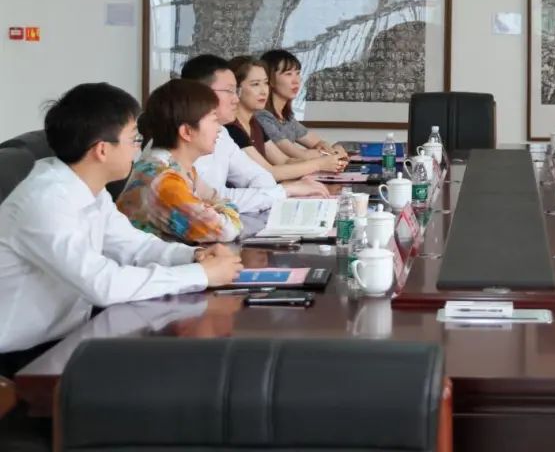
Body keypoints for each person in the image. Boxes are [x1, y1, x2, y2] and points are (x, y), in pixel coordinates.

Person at [0, 82, 242, 376]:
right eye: (134, 139)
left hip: (71, 335)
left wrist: (194, 256)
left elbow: (135, 246)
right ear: (102, 150)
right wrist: (201, 275)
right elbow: (104, 284)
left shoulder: (88, 187)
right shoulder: (44, 202)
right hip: (22, 359)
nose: (139, 148)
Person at [179, 54, 328, 235]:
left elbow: (258, 175)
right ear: (200, 94)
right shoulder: (184, 138)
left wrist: (277, 192)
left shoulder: (222, 133)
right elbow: (214, 199)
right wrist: (284, 191)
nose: (236, 99)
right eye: (230, 91)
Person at [117, 79, 244, 243]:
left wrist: (217, 208)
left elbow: (216, 199)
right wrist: (220, 210)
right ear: (187, 132)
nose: (219, 128)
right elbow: (225, 231)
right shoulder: (164, 180)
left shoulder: (181, 168)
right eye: (213, 119)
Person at [227, 56, 346, 182]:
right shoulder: (231, 128)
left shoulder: (254, 124)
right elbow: (268, 172)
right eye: (255, 84)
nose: (264, 91)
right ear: (235, 89)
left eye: (265, 83)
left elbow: (284, 161)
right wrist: (319, 164)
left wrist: (328, 160)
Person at [254, 49, 349, 162]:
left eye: (298, 73)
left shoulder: (287, 118)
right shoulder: (262, 116)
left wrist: (334, 150)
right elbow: (298, 155)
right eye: (288, 74)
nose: (296, 81)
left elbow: (319, 143)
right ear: (269, 79)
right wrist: (331, 154)